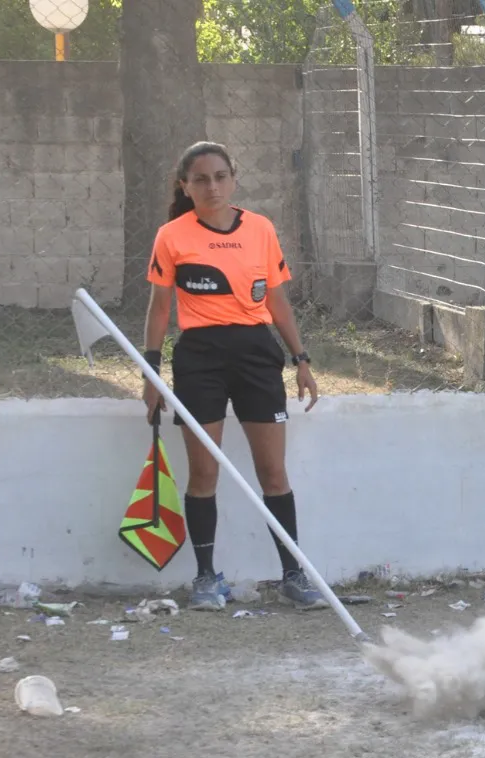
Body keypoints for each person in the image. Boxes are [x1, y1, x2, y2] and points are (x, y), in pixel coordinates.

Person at [141, 140, 327, 612]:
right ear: (185, 185)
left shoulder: (260, 229)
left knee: (272, 471)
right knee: (204, 472)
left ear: (234, 179)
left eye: (220, 176)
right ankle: (205, 579)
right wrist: (151, 370)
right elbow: (160, 307)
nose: (212, 187)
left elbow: (277, 299)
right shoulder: (172, 236)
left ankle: (293, 575)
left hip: (256, 354)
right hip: (199, 358)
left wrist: (300, 358)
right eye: (200, 179)